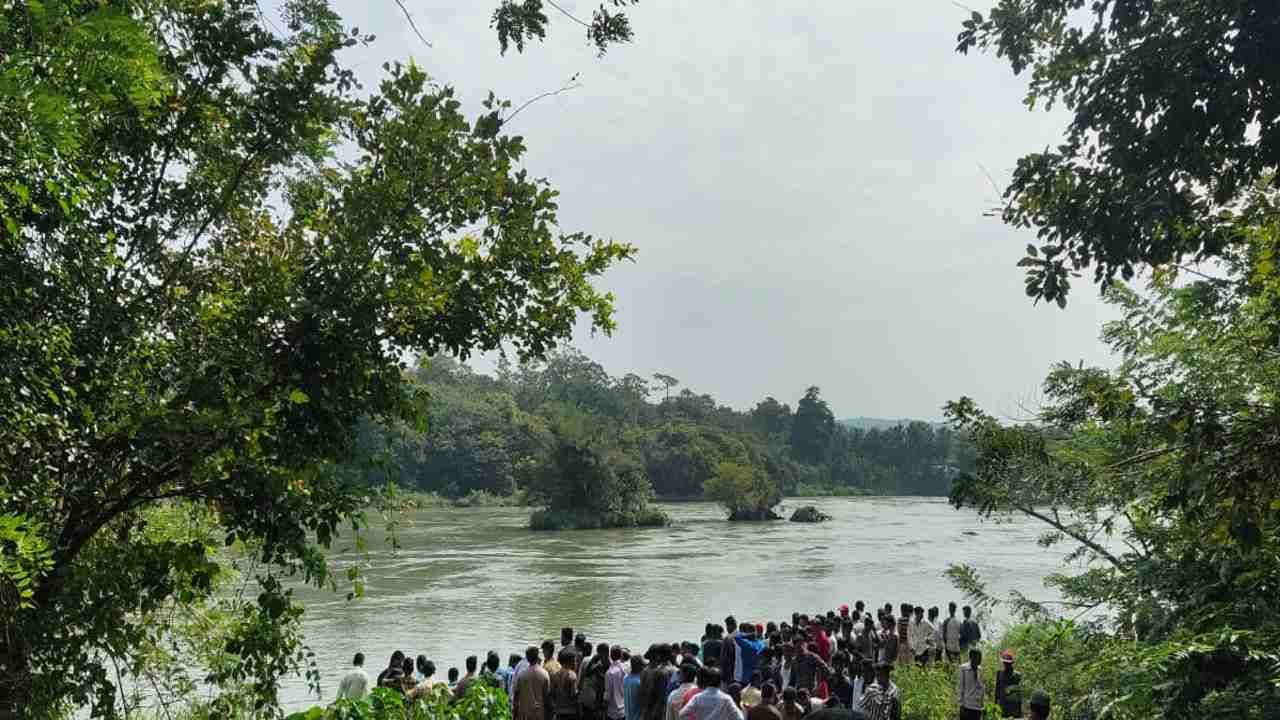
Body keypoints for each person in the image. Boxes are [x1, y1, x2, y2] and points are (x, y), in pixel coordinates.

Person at [641, 644, 678, 720]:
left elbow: (652, 693)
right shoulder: (676, 671)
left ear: (659, 655)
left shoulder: (658, 672)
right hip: (671, 709)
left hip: (658, 710)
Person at [515, 646, 552, 720]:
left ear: (527, 658)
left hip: (524, 714)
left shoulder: (521, 675)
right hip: (539, 713)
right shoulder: (544, 674)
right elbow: (547, 696)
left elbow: (516, 696)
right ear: (537, 656)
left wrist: (514, 714)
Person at [582, 642, 612, 720]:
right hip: (597, 694)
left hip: (606, 695)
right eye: (598, 653)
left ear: (606, 653)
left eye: (600, 653)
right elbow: (587, 674)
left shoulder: (610, 665)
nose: (598, 655)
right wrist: (595, 664)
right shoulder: (597, 660)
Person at [551, 649, 581, 720]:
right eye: (574, 661)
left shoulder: (555, 675)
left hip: (559, 711)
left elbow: (552, 693)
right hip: (570, 712)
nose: (575, 663)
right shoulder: (572, 675)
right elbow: (573, 695)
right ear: (569, 661)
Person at [955, 649, 985, 720]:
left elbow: (981, 687)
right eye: (979, 657)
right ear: (971, 657)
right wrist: (961, 705)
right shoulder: (963, 668)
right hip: (967, 706)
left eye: (981, 657)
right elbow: (960, 687)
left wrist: (983, 704)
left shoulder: (980, 670)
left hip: (977, 706)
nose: (980, 659)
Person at [995, 650, 1023, 718]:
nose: (1006, 664)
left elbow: (1018, 694)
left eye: (1008, 663)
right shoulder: (999, 673)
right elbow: (997, 690)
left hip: (1013, 707)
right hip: (1002, 706)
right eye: (1005, 663)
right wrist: (995, 706)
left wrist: (1019, 711)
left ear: (1011, 663)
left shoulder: (1017, 675)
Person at [607, 646, 628, 720]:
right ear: (621, 655)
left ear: (611, 656)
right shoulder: (627, 668)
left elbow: (608, 693)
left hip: (613, 711)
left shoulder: (610, 672)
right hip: (624, 709)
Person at [625, 656, 646, 720]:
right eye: (642, 665)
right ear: (638, 666)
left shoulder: (626, 678)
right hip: (637, 717)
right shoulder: (639, 682)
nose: (644, 668)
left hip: (628, 716)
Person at [720, 617, 739, 686]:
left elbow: (724, 659)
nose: (726, 628)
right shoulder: (742, 636)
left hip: (730, 675)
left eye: (727, 626)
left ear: (731, 625)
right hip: (740, 674)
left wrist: (723, 675)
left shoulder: (727, 639)